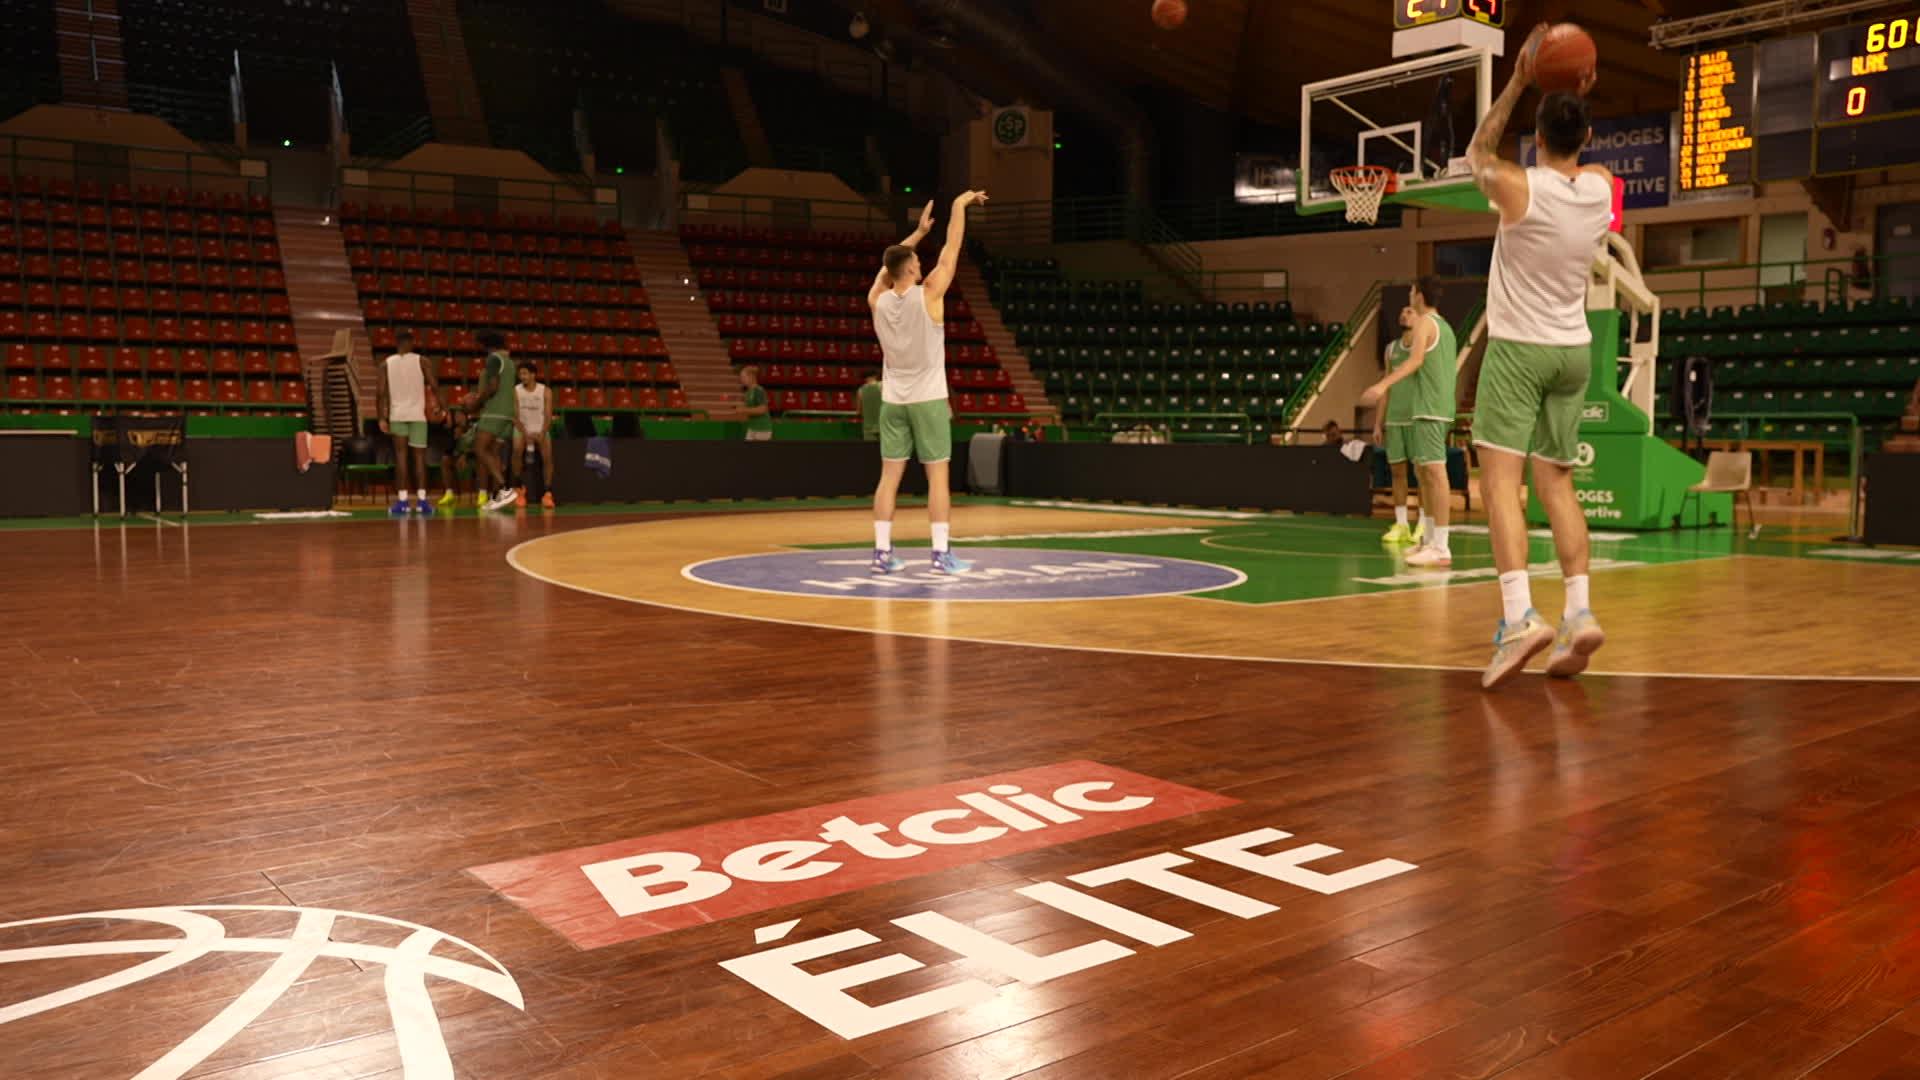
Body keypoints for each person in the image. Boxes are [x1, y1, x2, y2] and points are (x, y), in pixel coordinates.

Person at [1466, 23, 1608, 688]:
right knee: (1558, 482)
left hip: (1520, 350)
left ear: (1539, 136)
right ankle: (1579, 614)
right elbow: (1581, 150)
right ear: (1584, 134)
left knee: (1502, 482)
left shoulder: (1519, 188)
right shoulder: (1604, 189)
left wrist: (1522, 77)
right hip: (1575, 352)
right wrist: (1579, 86)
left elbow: (1477, 151)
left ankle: (1520, 615)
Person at [868, 192, 987, 575]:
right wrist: (959, 205)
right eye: (918, 260)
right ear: (910, 271)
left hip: (893, 399)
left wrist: (917, 234)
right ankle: (940, 554)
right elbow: (953, 245)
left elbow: (886, 266)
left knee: (889, 477)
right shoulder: (929, 294)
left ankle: (882, 553)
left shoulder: (878, 300)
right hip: (929, 398)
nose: (921, 263)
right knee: (938, 476)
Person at [1360, 277, 1459, 566]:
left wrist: (1382, 386)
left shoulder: (1426, 323)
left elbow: (1415, 361)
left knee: (1435, 474)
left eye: (1411, 291)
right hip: (1427, 407)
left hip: (1431, 408)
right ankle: (1429, 540)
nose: (1409, 296)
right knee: (1424, 474)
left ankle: (1441, 546)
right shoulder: (1445, 327)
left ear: (1419, 295)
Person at [1371, 306, 1420, 545]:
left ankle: (1424, 523)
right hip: (1395, 419)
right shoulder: (1391, 349)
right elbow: (1386, 388)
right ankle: (1401, 524)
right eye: (1401, 311)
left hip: (1418, 418)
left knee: (1423, 474)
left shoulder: (1423, 347)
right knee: (1397, 473)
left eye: (1410, 311)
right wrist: (1377, 424)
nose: (1404, 314)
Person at [377, 328, 437, 516]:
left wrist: (381, 417)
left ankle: (402, 502)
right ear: (411, 343)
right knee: (419, 459)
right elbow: (434, 385)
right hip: (418, 415)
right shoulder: (422, 360)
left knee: (401, 458)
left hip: (397, 415)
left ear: (397, 344)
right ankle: (422, 501)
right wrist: (443, 407)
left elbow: (380, 393)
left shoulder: (386, 363)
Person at [466, 330, 519, 511]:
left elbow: (494, 386)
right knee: (493, 453)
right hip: (508, 412)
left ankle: (505, 488)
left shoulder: (493, 359)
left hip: (495, 411)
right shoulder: (510, 362)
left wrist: (477, 402)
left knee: (479, 448)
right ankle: (497, 496)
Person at [513, 360, 555, 509]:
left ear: (533, 375)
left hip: (541, 428)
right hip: (522, 429)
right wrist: (525, 434)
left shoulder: (545, 391)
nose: (522, 377)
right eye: (520, 374)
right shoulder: (516, 391)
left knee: (547, 458)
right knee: (517, 449)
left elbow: (549, 415)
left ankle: (548, 493)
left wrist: (543, 432)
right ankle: (519, 490)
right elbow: (515, 416)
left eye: (524, 373)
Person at [739, 364, 773, 442]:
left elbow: (762, 410)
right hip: (752, 428)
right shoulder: (747, 393)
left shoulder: (759, 390)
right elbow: (749, 410)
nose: (741, 380)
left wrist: (744, 410)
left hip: (762, 429)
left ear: (751, 377)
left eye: (743, 377)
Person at [857, 369, 883, 441]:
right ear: (876, 376)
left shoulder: (860, 390)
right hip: (883, 426)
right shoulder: (882, 385)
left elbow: (859, 411)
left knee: (869, 450)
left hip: (868, 427)